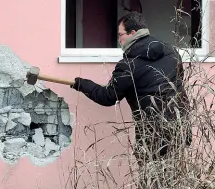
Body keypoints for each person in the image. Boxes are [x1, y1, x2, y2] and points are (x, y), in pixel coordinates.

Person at [70, 11, 191, 188]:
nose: (119, 40)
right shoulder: (172, 51)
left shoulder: (128, 64)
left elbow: (108, 96)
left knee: (151, 181)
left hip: (152, 134)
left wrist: (81, 84)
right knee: (174, 178)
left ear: (132, 33)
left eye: (120, 35)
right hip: (179, 128)